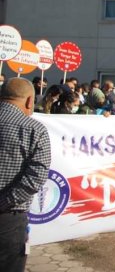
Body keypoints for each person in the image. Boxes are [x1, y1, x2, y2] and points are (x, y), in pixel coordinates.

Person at [0, 78, 51, 271]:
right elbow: (36, 177)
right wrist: (4, 202)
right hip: (8, 219)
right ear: (30, 101)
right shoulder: (34, 129)